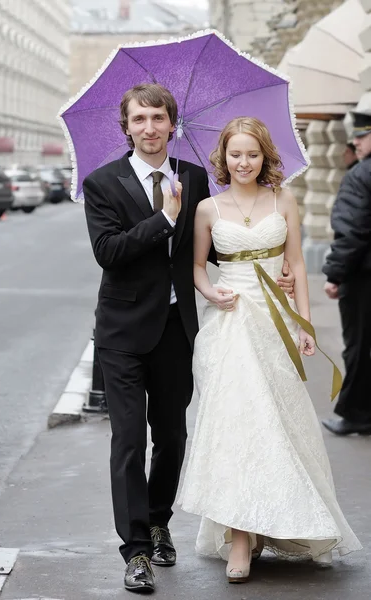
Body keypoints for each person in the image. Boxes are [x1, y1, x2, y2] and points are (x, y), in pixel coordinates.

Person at [83, 84, 295, 594]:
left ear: (172, 124)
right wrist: (164, 220)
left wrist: (271, 267)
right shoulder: (102, 183)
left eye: (159, 118)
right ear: (126, 128)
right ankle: (135, 551)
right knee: (129, 442)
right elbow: (108, 252)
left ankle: (159, 523)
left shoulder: (194, 176)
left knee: (173, 439)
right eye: (140, 119)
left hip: (179, 331)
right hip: (123, 333)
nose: (150, 127)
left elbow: (213, 248)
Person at [178, 116, 362, 584]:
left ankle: (271, 523)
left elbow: (297, 264)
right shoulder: (206, 209)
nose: (243, 162)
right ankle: (240, 537)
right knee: (240, 424)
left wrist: (305, 324)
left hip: (276, 322)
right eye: (235, 154)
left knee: (277, 423)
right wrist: (210, 292)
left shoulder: (285, 199)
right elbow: (197, 268)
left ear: (265, 157)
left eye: (252, 154)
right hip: (230, 324)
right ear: (224, 157)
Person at [322, 110, 371, 436]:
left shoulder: (360, 175)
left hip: (363, 278)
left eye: (363, 134)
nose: (355, 140)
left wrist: (335, 274)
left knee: (360, 346)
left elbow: (352, 232)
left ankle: (356, 414)